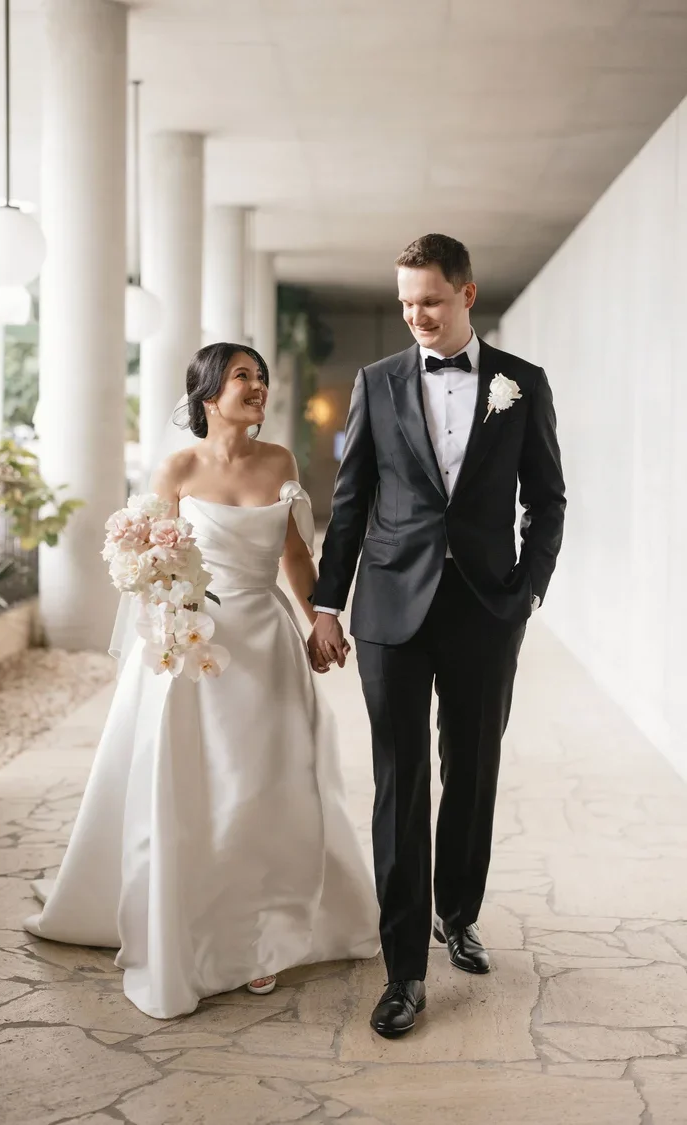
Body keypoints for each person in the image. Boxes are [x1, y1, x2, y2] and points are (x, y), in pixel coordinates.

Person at [24, 342, 380, 1019]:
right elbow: (148, 558)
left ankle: (263, 936)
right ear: (208, 394)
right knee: (200, 786)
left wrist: (320, 621)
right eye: (242, 376)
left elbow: (296, 551)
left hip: (267, 642)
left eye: (262, 377)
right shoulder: (178, 467)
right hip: (193, 643)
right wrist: (167, 612)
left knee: (268, 782)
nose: (257, 386)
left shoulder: (279, 461)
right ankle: (195, 924)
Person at [308, 233, 566, 1038]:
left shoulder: (522, 384)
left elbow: (549, 498)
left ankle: (458, 913)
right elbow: (349, 501)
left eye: (429, 299)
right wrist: (326, 602)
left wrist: (526, 590)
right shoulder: (376, 382)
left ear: (466, 294)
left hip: (487, 608)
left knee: (474, 767)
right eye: (405, 301)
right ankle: (404, 970)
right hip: (391, 607)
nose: (415, 314)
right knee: (400, 778)